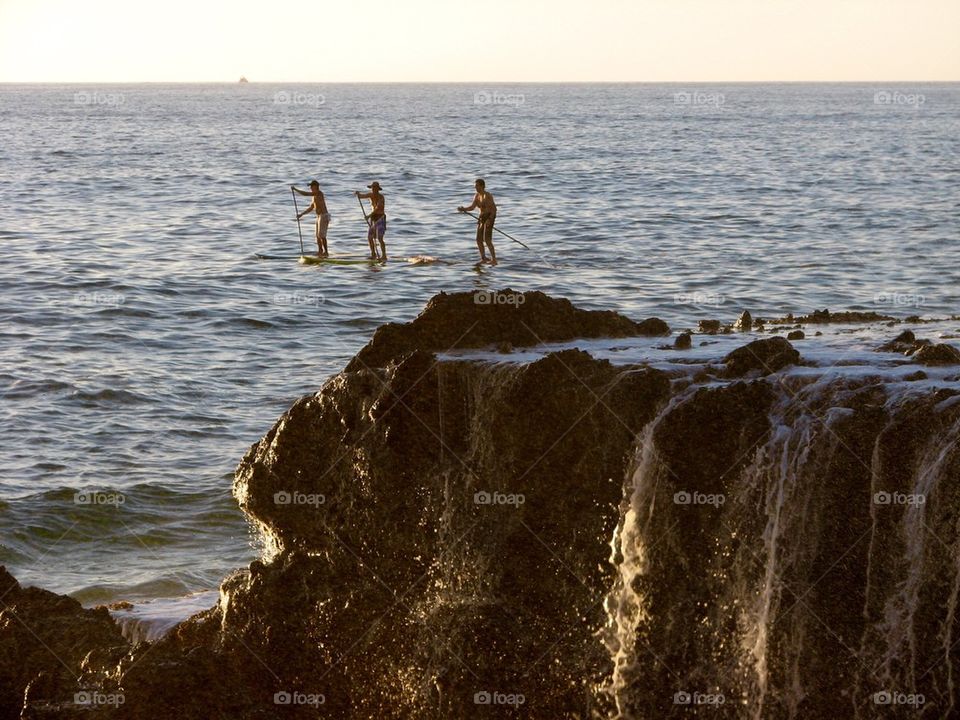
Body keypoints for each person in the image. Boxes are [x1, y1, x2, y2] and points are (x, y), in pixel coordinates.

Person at [458, 178, 497, 265]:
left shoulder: (488, 196)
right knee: (478, 239)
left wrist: (490, 221)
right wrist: (463, 209)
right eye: (475, 186)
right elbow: (472, 207)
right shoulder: (477, 196)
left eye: (477, 186)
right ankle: (484, 258)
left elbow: (494, 209)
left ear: (482, 186)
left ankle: (494, 260)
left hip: (489, 217)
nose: (476, 188)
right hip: (481, 218)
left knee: (487, 240)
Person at [291, 180, 330, 257]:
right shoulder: (314, 196)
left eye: (312, 186)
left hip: (324, 215)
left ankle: (326, 252)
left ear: (316, 186)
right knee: (317, 236)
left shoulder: (319, 193)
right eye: (310, 186)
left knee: (322, 236)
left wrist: (295, 190)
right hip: (319, 216)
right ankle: (320, 251)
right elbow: (311, 207)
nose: (311, 188)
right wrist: (301, 214)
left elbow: (305, 194)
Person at [355, 182, 387, 261]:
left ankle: (384, 255)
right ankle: (373, 254)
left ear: (378, 189)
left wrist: (368, 216)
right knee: (370, 237)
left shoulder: (381, 197)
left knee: (380, 238)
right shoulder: (371, 195)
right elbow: (362, 196)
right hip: (373, 218)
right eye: (372, 188)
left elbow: (377, 208)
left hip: (380, 218)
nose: (373, 190)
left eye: (375, 188)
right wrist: (358, 194)